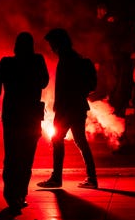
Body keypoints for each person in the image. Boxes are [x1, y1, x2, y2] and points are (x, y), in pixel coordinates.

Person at [0, 32, 49, 215]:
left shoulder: (7, 63)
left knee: (12, 156)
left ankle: (12, 195)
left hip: (12, 116)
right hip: (31, 116)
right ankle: (19, 194)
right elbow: (44, 82)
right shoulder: (37, 61)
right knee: (26, 158)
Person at [37, 28, 99, 189]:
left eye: (52, 44)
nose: (51, 48)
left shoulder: (66, 60)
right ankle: (92, 178)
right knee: (80, 140)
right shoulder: (77, 58)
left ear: (58, 43)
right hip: (78, 106)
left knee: (57, 140)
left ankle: (56, 178)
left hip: (67, 109)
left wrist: (59, 107)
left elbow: (64, 87)